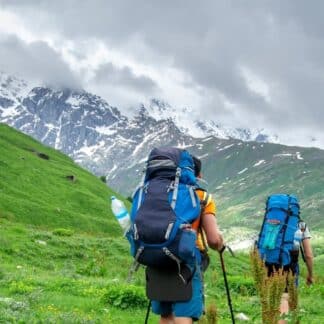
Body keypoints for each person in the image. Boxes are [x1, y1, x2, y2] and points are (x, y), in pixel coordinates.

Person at [151, 155, 224, 324]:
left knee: (166, 314)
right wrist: (221, 244)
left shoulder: (157, 192)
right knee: (184, 312)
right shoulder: (202, 197)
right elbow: (213, 240)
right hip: (186, 257)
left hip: (157, 256)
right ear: (198, 176)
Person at [278, 221, 314, 324]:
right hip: (289, 266)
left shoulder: (272, 217)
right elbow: (308, 255)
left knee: (273, 302)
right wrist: (310, 275)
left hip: (269, 263)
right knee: (285, 299)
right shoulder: (301, 224)